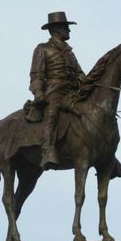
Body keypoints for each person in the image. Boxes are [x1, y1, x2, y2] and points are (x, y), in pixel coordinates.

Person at [29, 11, 86, 170]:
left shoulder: (70, 52)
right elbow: (37, 75)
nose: (69, 31)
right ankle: (47, 150)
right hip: (54, 91)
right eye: (65, 27)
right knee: (52, 114)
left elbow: (80, 74)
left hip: (72, 91)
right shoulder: (42, 49)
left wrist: (92, 85)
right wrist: (38, 93)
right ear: (56, 30)